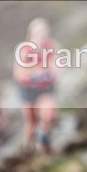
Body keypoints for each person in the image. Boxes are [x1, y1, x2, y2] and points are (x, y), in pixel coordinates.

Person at [13, 18, 59, 153]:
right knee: (32, 122)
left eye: (44, 32)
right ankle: (28, 147)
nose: (41, 35)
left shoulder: (51, 46)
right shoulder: (25, 50)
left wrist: (52, 71)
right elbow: (18, 74)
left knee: (49, 116)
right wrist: (32, 75)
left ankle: (46, 143)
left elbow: (59, 64)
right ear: (31, 34)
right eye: (38, 32)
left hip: (46, 88)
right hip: (29, 90)